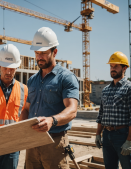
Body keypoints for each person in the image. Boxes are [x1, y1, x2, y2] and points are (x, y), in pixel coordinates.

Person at [20, 27, 79, 169]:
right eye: (37, 53)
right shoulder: (32, 80)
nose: (39, 57)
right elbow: (27, 109)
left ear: (55, 52)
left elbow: (72, 109)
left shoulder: (66, 77)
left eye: (44, 53)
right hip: (33, 144)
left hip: (55, 143)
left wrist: (52, 121)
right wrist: (21, 130)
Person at [95, 51, 131, 169]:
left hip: (122, 135)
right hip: (107, 135)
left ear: (124, 68)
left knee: (127, 166)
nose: (112, 69)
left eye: (116, 66)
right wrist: (98, 134)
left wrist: (129, 141)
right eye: (111, 66)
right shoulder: (106, 90)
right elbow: (101, 114)